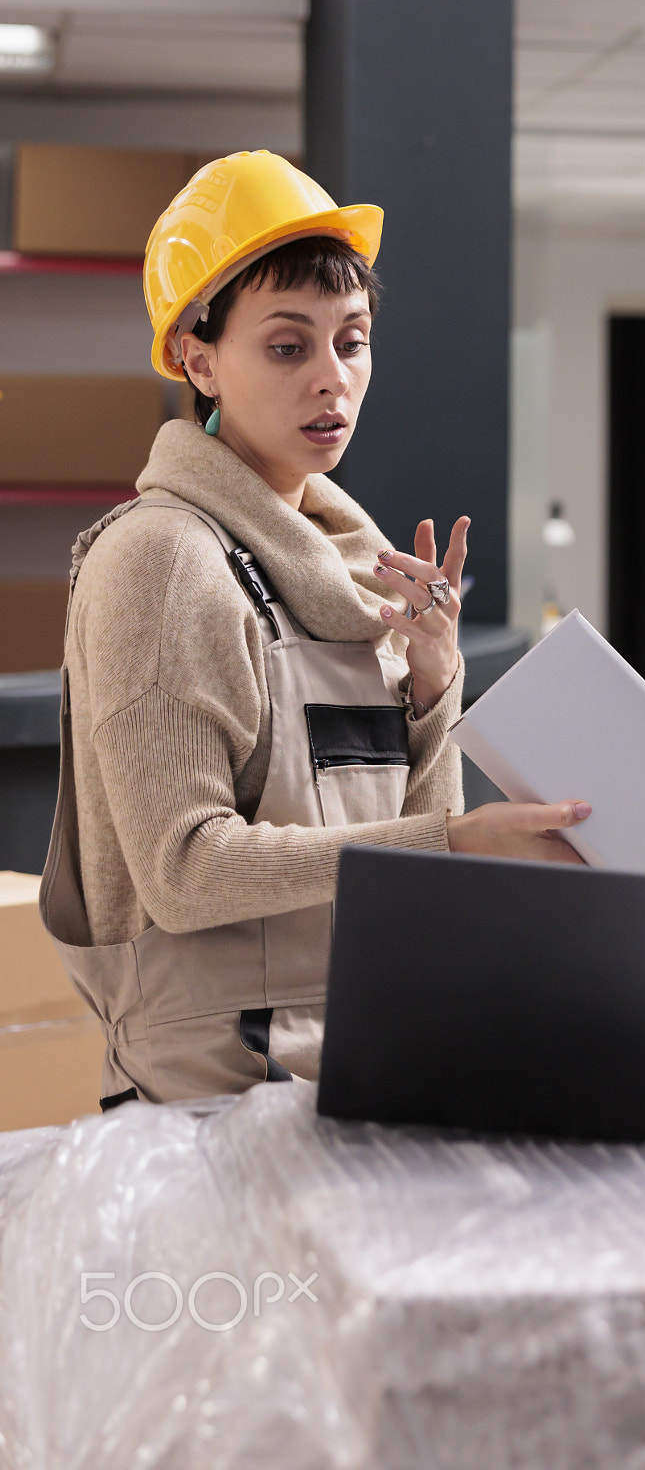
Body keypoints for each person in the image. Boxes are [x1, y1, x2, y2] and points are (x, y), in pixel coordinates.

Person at [40, 150, 588, 1106]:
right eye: (288, 346)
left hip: (357, 1051)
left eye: (354, 340)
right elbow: (184, 873)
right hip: (213, 1095)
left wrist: (429, 689)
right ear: (196, 358)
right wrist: (458, 843)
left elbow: (400, 852)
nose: (332, 379)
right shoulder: (164, 559)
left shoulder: (345, 565)